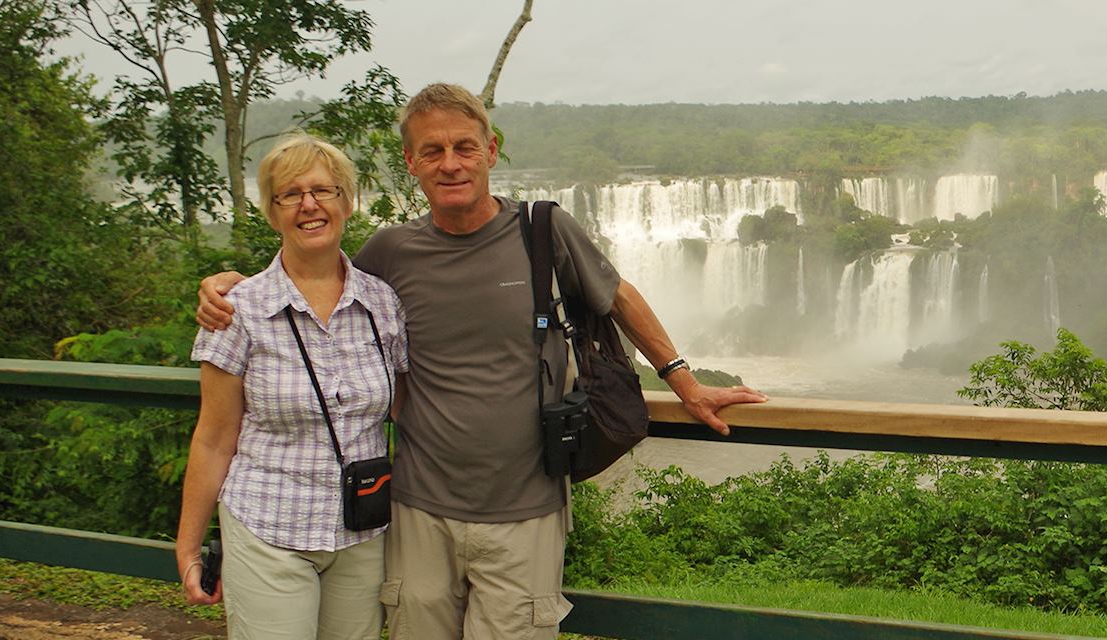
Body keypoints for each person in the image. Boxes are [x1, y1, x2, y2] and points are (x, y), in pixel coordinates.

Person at [195, 83, 767, 639]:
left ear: (491, 150)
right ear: (411, 163)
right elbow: (319, 280)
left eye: (464, 146)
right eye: (432, 151)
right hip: (418, 510)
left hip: (528, 508)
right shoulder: (393, 251)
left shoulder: (543, 230)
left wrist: (686, 383)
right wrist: (235, 289)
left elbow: (617, 296)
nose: (451, 163)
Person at [177, 134, 406, 640]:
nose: (309, 205)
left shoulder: (383, 304)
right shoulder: (239, 307)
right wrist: (188, 545)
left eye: (323, 190)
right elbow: (214, 437)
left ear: (346, 201)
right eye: (290, 194)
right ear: (273, 210)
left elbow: (406, 408)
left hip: (362, 532)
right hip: (267, 526)